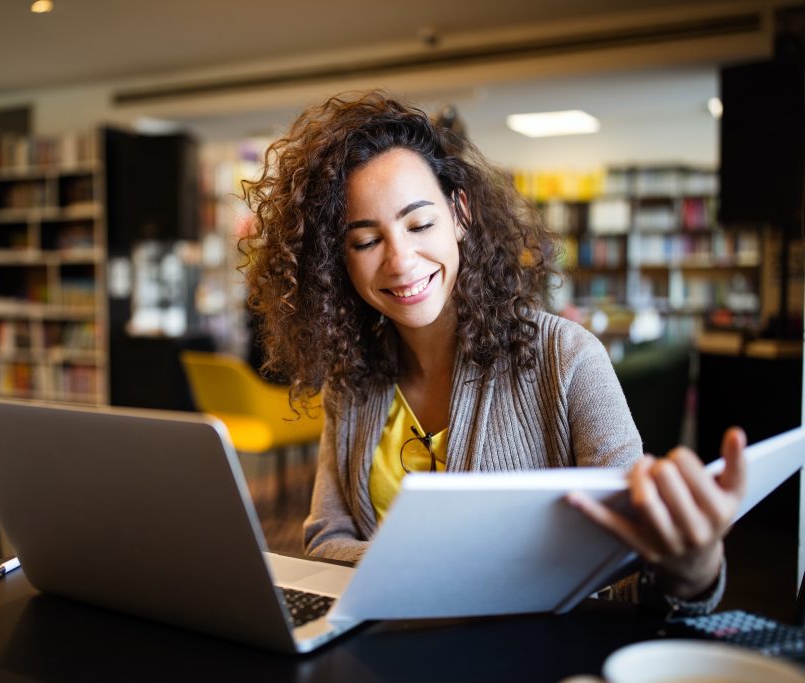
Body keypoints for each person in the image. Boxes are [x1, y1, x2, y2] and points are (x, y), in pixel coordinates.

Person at [241, 90, 746, 614]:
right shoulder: (352, 379)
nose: (400, 261)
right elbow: (324, 540)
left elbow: (627, 571)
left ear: (459, 214)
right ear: (336, 259)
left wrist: (693, 571)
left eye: (419, 225)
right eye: (366, 241)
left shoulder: (567, 358)